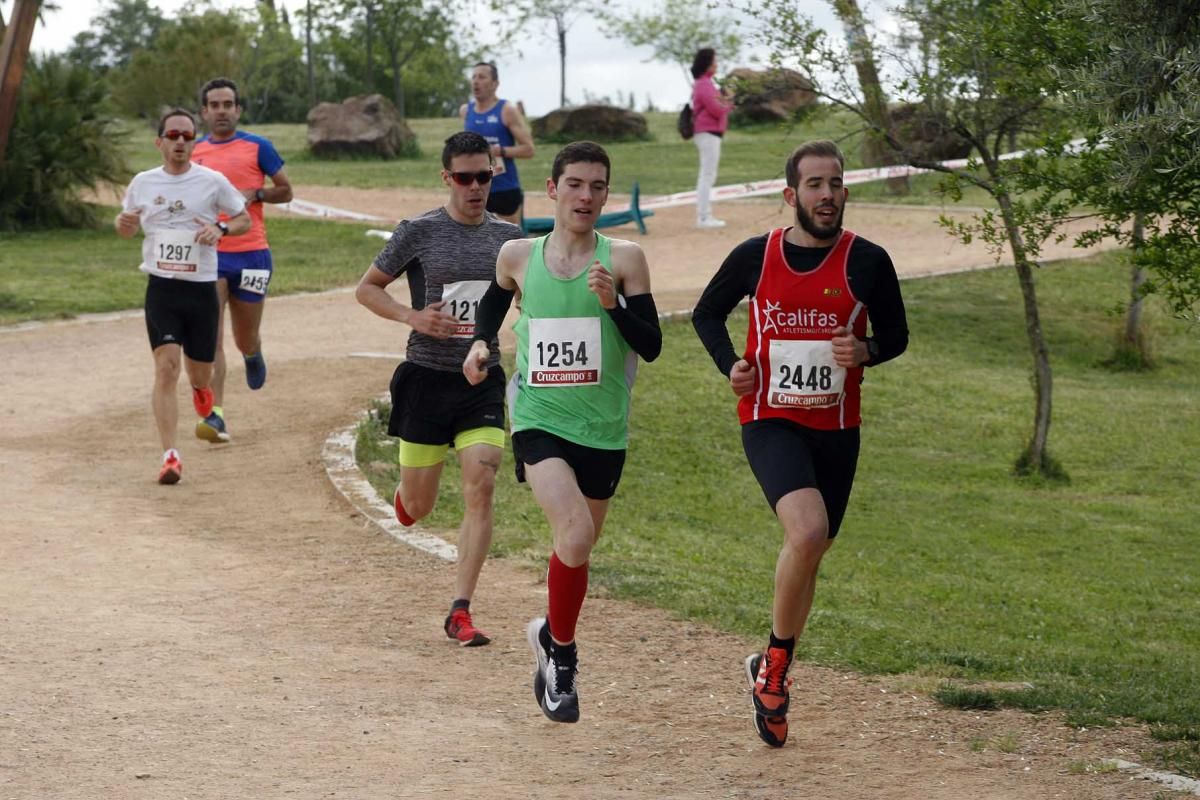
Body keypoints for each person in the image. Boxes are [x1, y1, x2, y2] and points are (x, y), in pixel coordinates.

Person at [691, 140, 909, 748]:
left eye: (836, 183)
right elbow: (707, 313)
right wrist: (729, 363)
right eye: (814, 184)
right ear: (792, 195)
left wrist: (864, 350)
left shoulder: (867, 261)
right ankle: (777, 673)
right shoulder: (755, 257)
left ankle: (767, 664)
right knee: (807, 532)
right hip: (770, 418)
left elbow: (896, 335)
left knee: (813, 550)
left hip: (838, 428)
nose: (827, 194)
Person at [463, 142, 662, 723]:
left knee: (577, 548)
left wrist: (614, 305)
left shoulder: (624, 258)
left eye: (598, 186)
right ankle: (564, 665)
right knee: (573, 534)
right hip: (537, 418)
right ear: (551, 190)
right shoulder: (518, 255)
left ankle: (549, 633)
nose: (586, 196)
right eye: (575, 184)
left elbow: (649, 345)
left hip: (603, 428)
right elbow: (491, 313)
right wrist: (480, 346)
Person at [356, 131, 525, 647]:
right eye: (465, 177)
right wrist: (413, 317)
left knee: (482, 483)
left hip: (480, 380)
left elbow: (528, 298)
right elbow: (367, 289)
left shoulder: (511, 239)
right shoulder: (420, 231)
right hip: (426, 379)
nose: (476, 187)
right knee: (420, 506)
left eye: (485, 176)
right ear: (446, 177)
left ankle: (461, 609)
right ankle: (407, 499)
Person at [114, 108, 251, 484]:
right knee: (165, 367)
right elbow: (126, 227)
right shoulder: (142, 182)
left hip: (201, 289)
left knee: (199, 371)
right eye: (172, 135)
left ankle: (202, 392)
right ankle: (170, 455)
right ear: (159, 142)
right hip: (161, 288)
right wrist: (122, 224)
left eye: (187, 136)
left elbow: (244, 219)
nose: (179, 142)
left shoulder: (212, 181)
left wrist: (220, 228)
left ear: (194, 142)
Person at [191, 76, 293, 443]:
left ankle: (253, 352)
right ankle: (215, 413)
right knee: (210, 338)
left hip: (252, 255)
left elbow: (287, 190)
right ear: (204, 112)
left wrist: (258, 192)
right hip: (209, 256)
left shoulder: (258, 147)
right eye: (214, 105)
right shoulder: (195, 152)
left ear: (238, 110)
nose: (221, 111)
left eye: (227, 105)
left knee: (243, 336)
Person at [459, 62, 535, 226]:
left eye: (482, 77)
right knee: (473, 240)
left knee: (509, 241)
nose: (475, 81)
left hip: (504, 187)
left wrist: (498, 151)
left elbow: (528, 149)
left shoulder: (506, 110)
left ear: (495, 84)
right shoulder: (466, 111)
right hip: (474, 188)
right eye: (473, 77)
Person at [690, 47, 734, 230]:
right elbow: (717, 109)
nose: (716, 64)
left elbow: (716, 106)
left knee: (708, 174)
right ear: (707, 64)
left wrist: (724, 101)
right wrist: (730, 101)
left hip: (708, 133)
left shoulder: (704, 83)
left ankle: (704, 215)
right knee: (707, 175)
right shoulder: (705, 84)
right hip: (707, 133)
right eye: (714, 61)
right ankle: (703, 217)